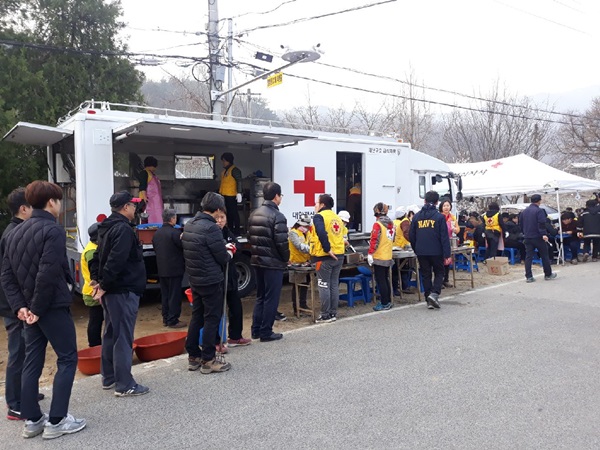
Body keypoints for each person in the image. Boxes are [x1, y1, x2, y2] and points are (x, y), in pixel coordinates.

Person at [1, 181, 86, 439]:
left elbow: (6, 276)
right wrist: (35, 308)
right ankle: (58, 420)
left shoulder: (14, 232)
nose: (60, 205)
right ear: (51, 202)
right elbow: (48, 272)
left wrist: (21, 308)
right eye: (59, 200)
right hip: (50, 306)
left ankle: (33, 419)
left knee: (31, 360)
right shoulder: (53, 230)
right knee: (68, 358)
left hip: (29, 309)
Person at [89, 191, 149, 396]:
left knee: (111, 333)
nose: (135, 209)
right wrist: (104, 283)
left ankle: (109, 377)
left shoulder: (105, 228)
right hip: (123, 290)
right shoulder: (123, 230)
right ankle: (124, 384)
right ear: (125, 207)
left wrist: (97, 280)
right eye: (133, 205)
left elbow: (96, 257)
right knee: (123, 337)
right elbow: (116, 260)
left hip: (112, 291)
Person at [182, 192, 235, 373]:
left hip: (195, 279)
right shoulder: (211, 228)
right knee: (212, 318)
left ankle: (193, 355)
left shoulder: (190, 225)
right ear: (219, 209)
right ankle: (208, 359)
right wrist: (229, 252)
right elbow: (221, 257)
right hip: (211, 280)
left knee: (197, 316)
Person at [0, 188, 40, 421]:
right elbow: (10, 275)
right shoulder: (12, 234)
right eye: (33, 205)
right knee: (18, 352)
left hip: (19, 303)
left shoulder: (17, 230)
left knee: (27, 350)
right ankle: (15, 403)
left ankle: (27, 393)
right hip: (14, 305)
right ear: (23, 209)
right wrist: (19, 305)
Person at [248, 182, 289, 340]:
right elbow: (282, 243)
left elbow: (250, 236)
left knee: (261, 296)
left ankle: (256, 330)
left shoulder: (254, 214)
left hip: (257, 260)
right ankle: (266, 332)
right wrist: (285, 259)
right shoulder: (278, 216)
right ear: (276, 196)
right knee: (272, 298)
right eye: (281, 196)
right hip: (273, 263)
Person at [215, 211, 252, 348]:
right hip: (217, 278)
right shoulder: (212, 233)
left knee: (236, 307)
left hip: (231, 276)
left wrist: (232, 248)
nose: (220, 221)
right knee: (216, 311)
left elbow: (238, 246)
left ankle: (235, 337)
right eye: (217, 218)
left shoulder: (228, 232)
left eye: (222, 217)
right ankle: (216, 342)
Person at [409, 191, 451, 310]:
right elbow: (444, 237)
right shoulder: (439, 217)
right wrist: (447, 253)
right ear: (437, 202)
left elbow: (412, 235)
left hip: (421, 251)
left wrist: (415, 248)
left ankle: (428, 299)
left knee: (426, 274)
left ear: (425, 201)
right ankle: (434, 294)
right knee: (439, 272)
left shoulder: (416, 217)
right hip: (436, 250)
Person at [309, 195, 345, 323]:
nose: (315, 205)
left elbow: (320, 231)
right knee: (333, 285)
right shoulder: (337, 218)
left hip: (325, 256)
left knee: (323, 285)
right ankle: (333, 313)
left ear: (322, 205)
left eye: (316, 203)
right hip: (339, 255)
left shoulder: (319, 217)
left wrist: (327, 248)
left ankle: (325, 315)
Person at [152, 209, 186, 329]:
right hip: (175, 269)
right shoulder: (175, 233)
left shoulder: (157, 234)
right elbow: (182, 248)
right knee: (174, 295)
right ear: (172, 219)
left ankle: (166, 318)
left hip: (162, 269)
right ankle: (173, 320)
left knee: (165, 295)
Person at [520, 194, 556, 282]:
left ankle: (529, 276)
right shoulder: (539, 211)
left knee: (528, 257)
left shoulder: (524, 212)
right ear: (539, 201)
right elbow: (541, 223)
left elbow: (520, 224)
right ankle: (548, 274)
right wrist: (544, 234)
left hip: (527, 236)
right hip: (538, 236)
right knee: (544, 255)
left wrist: (525, 232)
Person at [367, 203, 395, 311]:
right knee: (385, 279)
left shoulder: (378, 224)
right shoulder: (391, 223)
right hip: (388, 254)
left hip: (378, 256)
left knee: (381, 280)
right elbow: (392, 239)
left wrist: (370, 253)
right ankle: (387, 300)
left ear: (377, 211)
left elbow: (374, 240)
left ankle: (384, 303)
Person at [80, 222, 104, 347]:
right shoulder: (91, 251)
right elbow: (95, 273)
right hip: (93, 292)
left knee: (97, 319)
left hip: (93, 291)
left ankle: (96, 344)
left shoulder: (93, 247)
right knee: (96, 320)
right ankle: (94, 345)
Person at [288, 214, 311, 315]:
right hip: (295, 263)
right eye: (304, 226)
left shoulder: (308, 233)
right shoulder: (293, 233)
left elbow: (312, 243)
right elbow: (299, 246)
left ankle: (303, 304)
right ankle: (296, 308)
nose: (306, 228)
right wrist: (313, 250)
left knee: (305, 285)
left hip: (306, 263)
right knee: (296, 286)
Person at [218, 152, 242, 236]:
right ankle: (230, 230)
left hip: (231, 195)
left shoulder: (235, 170)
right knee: (228, 214)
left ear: (229, 161)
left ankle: (237, 231)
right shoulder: (224, 171)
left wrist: (239, 193)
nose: (223, 163)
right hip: (224, 195)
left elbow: (239, 181)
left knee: (234, 213)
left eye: (224, 161)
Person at [439, 199, 460, 288]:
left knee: (448, 261)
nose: (446, 207)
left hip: (449, 241)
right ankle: (439, 281)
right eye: (444, 206)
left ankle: (446, 280)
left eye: (448, 205)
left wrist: (456, 230)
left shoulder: (452, 217)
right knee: (440, 262)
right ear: (441, 207)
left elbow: (457, 228)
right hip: (440, 242)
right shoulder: (439, 216)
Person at [137, 156, 163, 224]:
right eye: (154, 167)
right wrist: (145, 198)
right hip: (149, 202)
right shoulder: (144, 173)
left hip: (156, 202)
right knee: (149, 219)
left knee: (158, 218)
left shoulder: (152, 174)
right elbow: (142, 186)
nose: (155, 169)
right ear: (152, 165)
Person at [392, 206, 412, 296]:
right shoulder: (404, 222)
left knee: (395, 270)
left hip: (393, 248)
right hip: (401, 248)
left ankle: (395, 287)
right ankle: (404, 287)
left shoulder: (393, 222)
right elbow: (406, 233)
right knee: (404, 268)